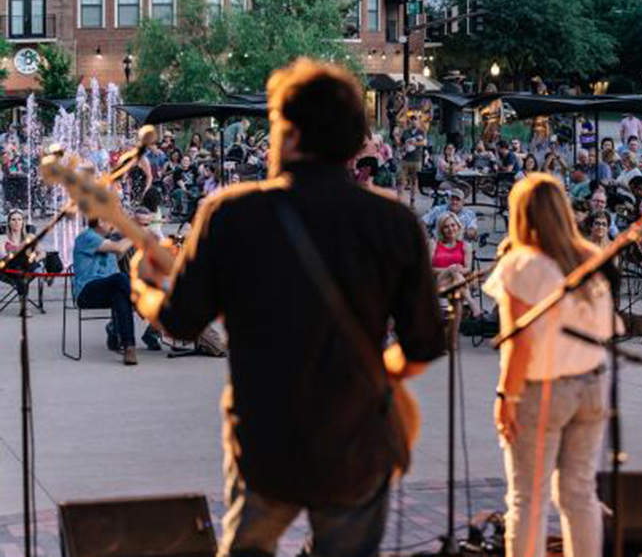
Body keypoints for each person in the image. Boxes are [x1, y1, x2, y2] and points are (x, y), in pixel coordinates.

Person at [130, 59, 446, 555]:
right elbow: (425, 342)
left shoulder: (231, 213)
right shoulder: (394, 222)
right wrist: (375, 373)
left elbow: (180, 321)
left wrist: (143, 287)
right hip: (358, 441)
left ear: (291, 134)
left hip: (265, 441)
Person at [482, 173, 614, 557]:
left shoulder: (520, 265)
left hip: (544, 389)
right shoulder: (591, 256)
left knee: (529, 499)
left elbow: (517, 341)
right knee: (579, 493)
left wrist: (506, 394)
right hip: (592, 384)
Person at [74, 218, 159, 364]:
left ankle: (129, 348)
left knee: (121, 296)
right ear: (100, 221)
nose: (113, 224)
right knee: (121, 278)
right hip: (87, 292)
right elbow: (118, 248)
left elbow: (119, 254)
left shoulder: (107, 240)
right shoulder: (86, 237)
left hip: (108, 289)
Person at [430, 212, 482, 318]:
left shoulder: (466, 245)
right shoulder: (434, 243)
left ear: (458, 226)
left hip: (458, 283)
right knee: (454, 271)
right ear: (441, 229)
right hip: (438, 282)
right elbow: (427, 269)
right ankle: (473, 305)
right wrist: (450, 269)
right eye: (446, 227)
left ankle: (468, 308)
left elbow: (467, 269)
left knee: (456, 275)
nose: (450, 229)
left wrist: (455, 271)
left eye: (453, 225)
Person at [1, 209, 43, 310]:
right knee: (21, 263)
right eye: (13, 219)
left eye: (19, 219)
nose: (16, 222)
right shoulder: (2, 238)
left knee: (22, 272)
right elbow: (2, 256)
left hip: (25, 269)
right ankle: (36, 270)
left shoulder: (30, 236)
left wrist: (35, 259)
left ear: (23, 222)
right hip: (8, 268)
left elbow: (42, 253)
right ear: (9, 222)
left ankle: (23, 308)